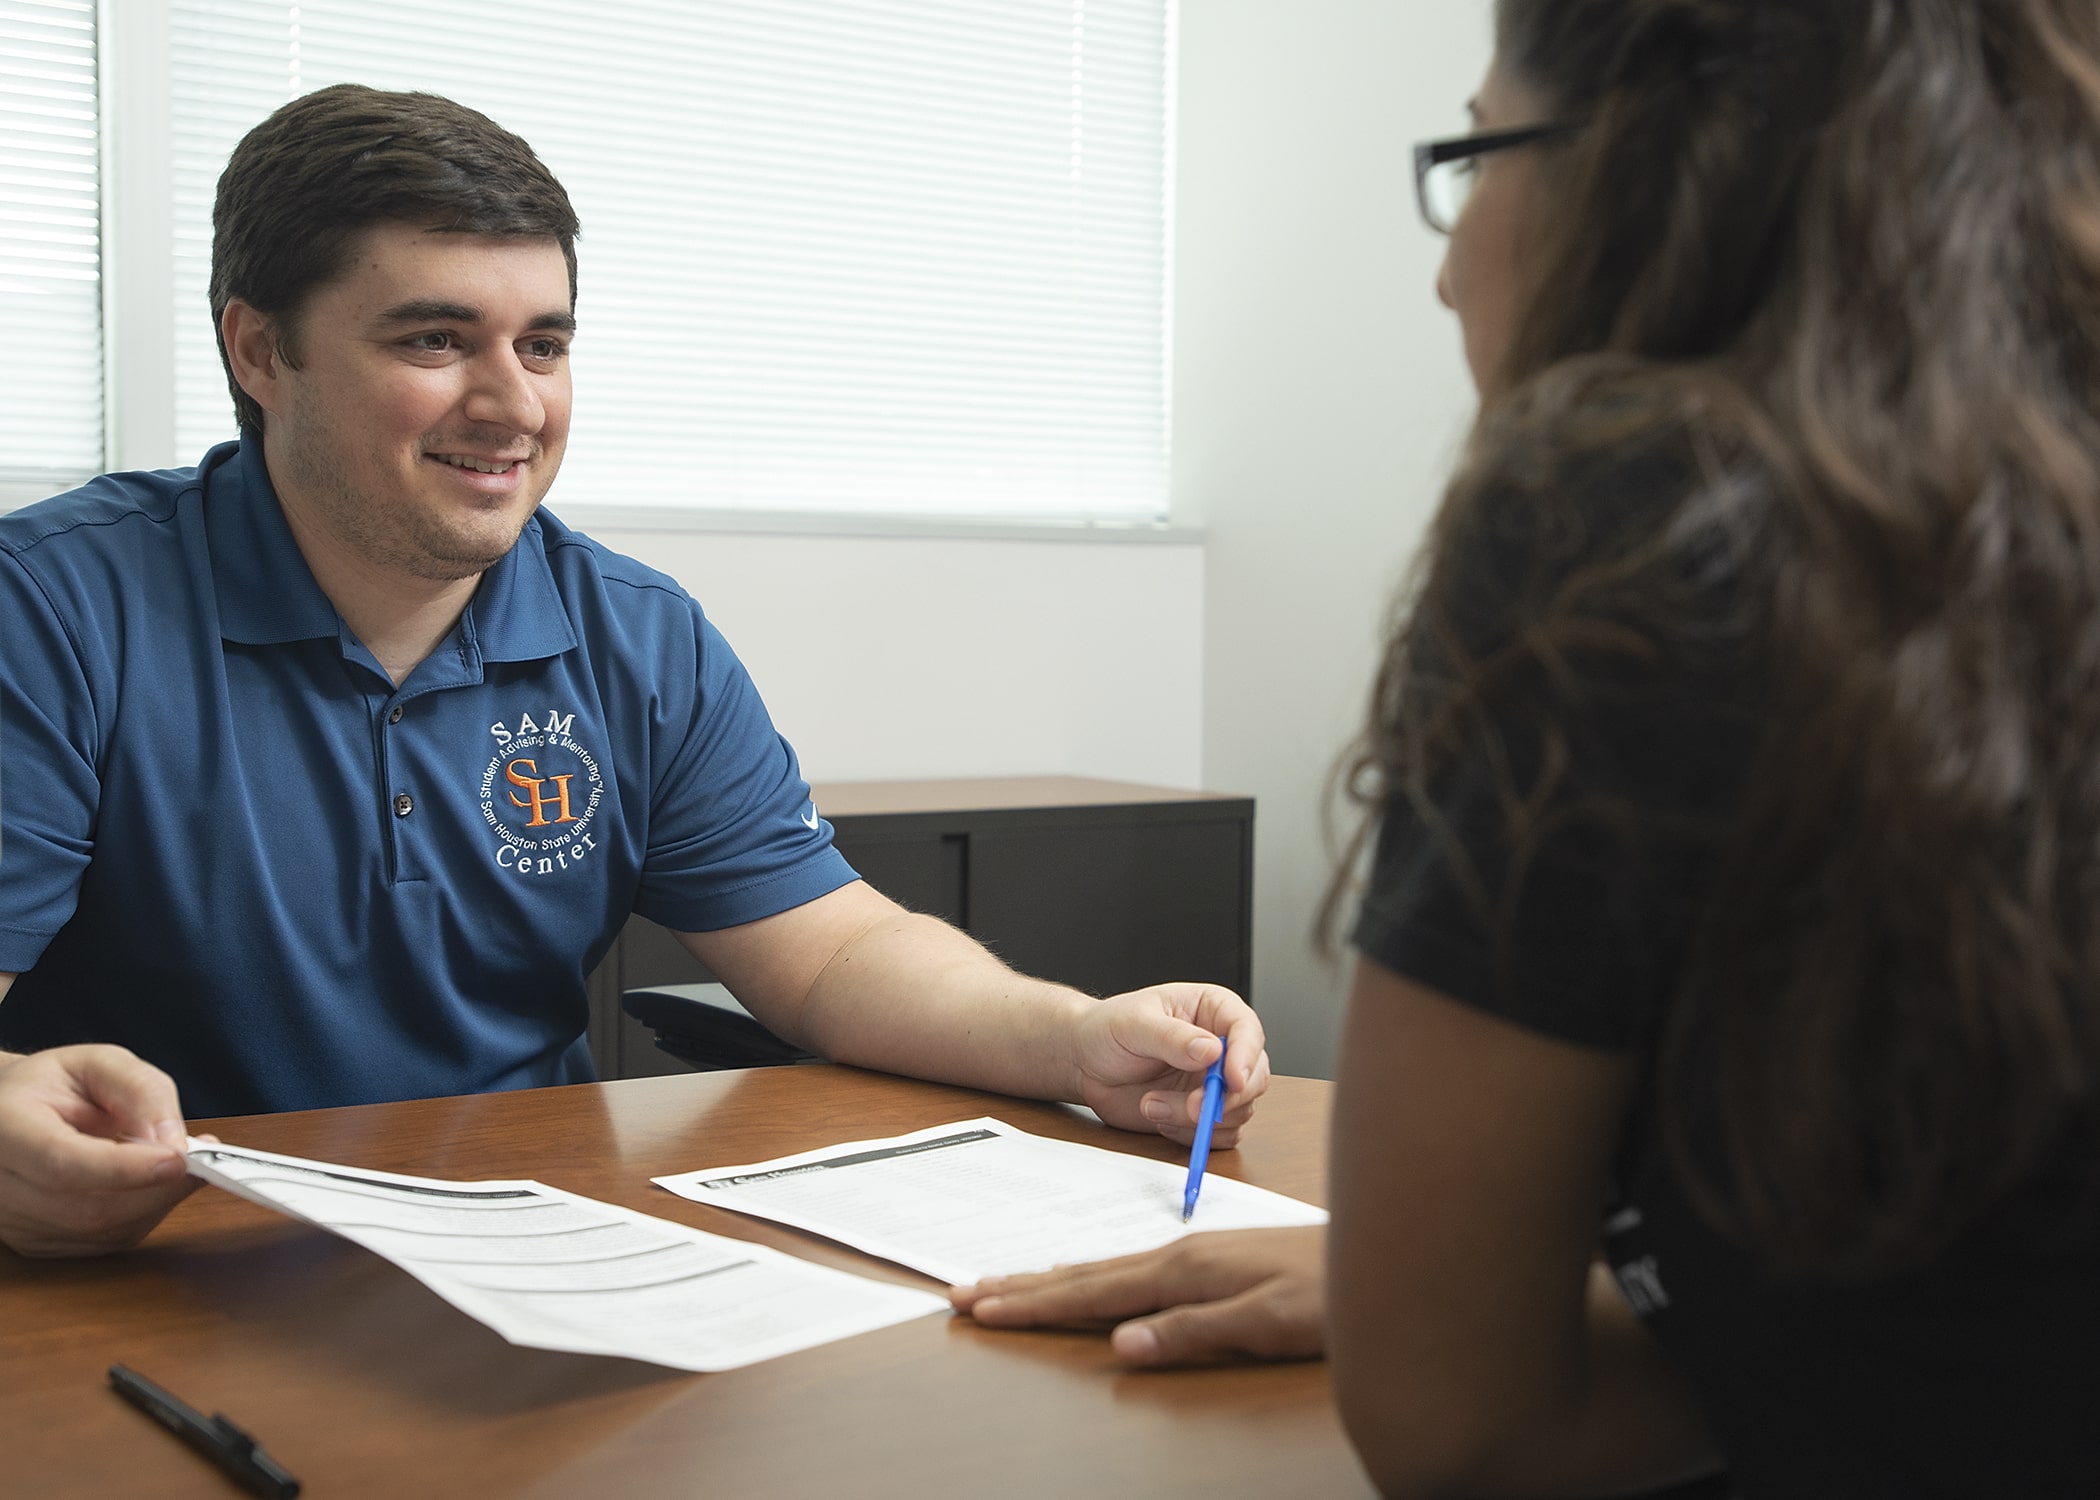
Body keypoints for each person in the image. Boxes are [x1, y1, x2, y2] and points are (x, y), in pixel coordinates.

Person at [958, 0, 2100, 1493]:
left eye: (1481, 150)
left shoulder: (1634, 530)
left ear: (1647, 163)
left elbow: (1460, 1422)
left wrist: (1441, 1327)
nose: (1444, 269)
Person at [0, 83, 1268, 1260]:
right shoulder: (55, 607)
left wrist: (1074, 1037)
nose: (515, 406)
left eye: (543, 345)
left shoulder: (634, 634)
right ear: (261, 353)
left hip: (529, 1246)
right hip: (171, 1253)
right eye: (437, 339)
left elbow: (827, 956)